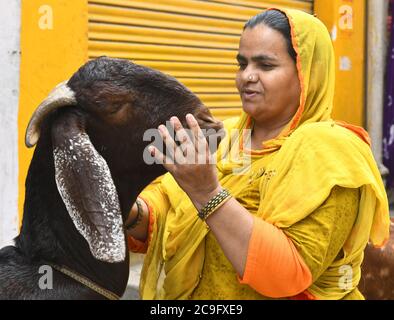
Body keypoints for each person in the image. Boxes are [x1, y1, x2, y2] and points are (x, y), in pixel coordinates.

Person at [125, 8, 391, 300]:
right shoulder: (229, 138)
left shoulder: (330, 151)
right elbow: (169, 206)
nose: (246, 77)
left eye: (265, 65)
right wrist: (132, 211)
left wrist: (207, 193)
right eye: (242, 63)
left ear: (307, 74)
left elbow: (288, 273)